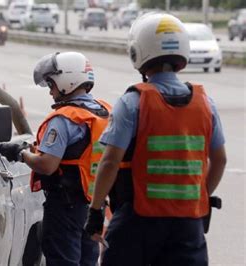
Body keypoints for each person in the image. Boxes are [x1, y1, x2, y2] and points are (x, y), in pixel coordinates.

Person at [84, 13, 227, 266]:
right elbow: (220, 160)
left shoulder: (133, 102)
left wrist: (96, 210)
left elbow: (109, 163)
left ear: (138, 52)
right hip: (188, 224)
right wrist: (201, 198)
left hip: (138, 221)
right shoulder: (206, 103)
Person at [0, 52, 111, 266]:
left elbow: (47, 165)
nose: (50, 91)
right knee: (87, 260)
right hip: (93, 205)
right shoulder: (103, 112)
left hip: (65, 207)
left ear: (66, 81)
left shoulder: (64, 119)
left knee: (63, 260)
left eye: (51, 84)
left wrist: (20, 153)